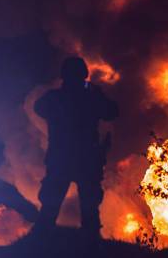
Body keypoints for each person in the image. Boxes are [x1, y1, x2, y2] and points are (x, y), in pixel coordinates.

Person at [33, 56, 118, 239]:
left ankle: (39, 241)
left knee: (51, 203)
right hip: (84, 159)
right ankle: (90, 242)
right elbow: (112, 112)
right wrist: (96, 94)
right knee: (88, 205)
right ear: (84, 75)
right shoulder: (90, 98)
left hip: (62, 158)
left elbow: (39, 108)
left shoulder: (55, 98)